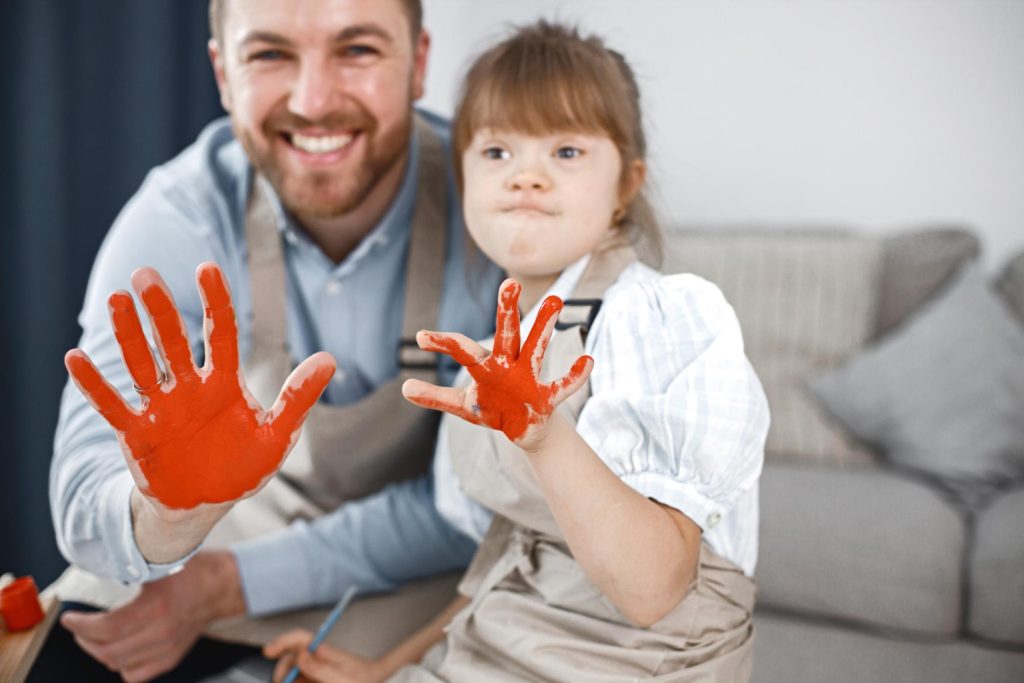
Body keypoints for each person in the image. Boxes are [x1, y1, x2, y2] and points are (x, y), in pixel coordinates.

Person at [264, 20, 770, 683]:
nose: (527, 176)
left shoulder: (661, 317)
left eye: (565, 152)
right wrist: (385, 668)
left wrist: (545, 437)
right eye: (497, 152)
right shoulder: (494, 347)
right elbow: (510, 558)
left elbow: (653, 590)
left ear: (626, 185)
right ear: (465, 178)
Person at [45, 0, 500, 680]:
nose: (314, 101)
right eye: (269, 54)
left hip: (417, 575)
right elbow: (84, 501)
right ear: (222, 73)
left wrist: (227, 584)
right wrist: (165, 516)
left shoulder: (500, 206)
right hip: (204, 544)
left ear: (420, 63)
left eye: (357, 50)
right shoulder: (177, 217)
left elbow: (476, 500)